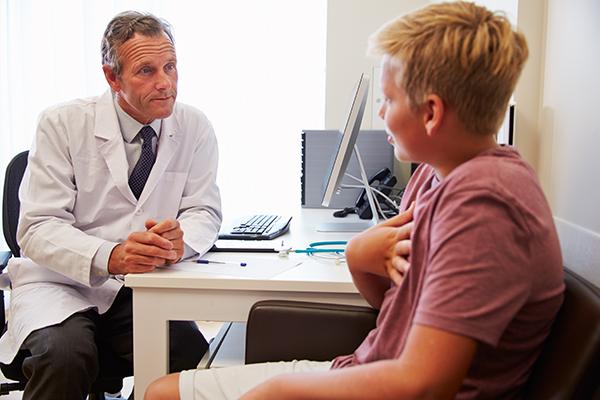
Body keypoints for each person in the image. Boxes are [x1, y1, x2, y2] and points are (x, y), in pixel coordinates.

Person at [145, 2, 564, 399]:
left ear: (432, 113)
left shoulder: (484, 207)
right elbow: (406, 308)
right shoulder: (435, 180)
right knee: (160, 391)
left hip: (397, 386)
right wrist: (359, 255)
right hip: (368, 367)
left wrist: (279, 391)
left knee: (161, 393)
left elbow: (424, 386)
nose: (380, 113)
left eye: (388, 99)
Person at [0, 11, 222, 399]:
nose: (166, 82)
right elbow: (35, 228)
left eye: (170, 66)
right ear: (111, 77)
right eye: (147, 71)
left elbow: (204, 210)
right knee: (66, 357)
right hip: (59, 284)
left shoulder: (194, 126)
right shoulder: (61, 124)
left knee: (189, 354)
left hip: (138, 289)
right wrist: (111, 255)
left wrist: (177, 241)